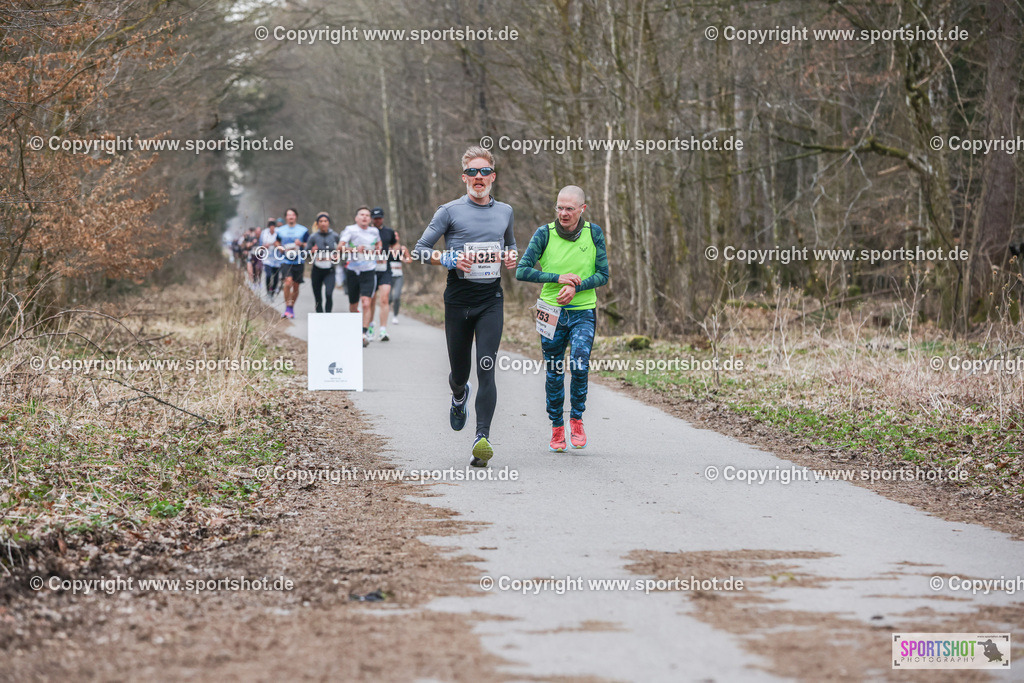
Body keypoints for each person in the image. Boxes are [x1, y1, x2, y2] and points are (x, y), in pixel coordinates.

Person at [413, 145, 517, 467]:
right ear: (464, 178)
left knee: (487, 367)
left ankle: (481, 438)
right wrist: (449, 258)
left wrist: (513, 256)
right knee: (461, 372)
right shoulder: (449, 211)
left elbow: (510, 244)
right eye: (472, 172)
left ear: (493, 177)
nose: (478, 177)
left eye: (484, 171)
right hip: (458, 299)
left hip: (490, 300)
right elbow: (419, 249)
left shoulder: (505, 212)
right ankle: (459, 395)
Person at [516, 186, 609, 451]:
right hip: (550, 312)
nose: (564, 213)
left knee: (579, 364)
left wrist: (576, 287)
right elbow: (522, 271)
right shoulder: (544, 234)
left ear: (582, 209)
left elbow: (603, 274)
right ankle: (557, 427)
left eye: (570, 208)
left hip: (583, 311)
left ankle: (576, 419)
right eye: (560, 207)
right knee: (555, 372)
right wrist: (557, 279)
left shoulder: (594, 233)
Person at [340, 206, 382, 346]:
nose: (364, 217)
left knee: (366, 302)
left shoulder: (374, 231)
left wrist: (378, 248)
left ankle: (363, 333)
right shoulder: (350, 230)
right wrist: (354, 249)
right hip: (353, 270)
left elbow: (378, 243)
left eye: (367, 215)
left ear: (370, 219)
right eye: (361, 215)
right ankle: (354, 329)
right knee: (353, 305)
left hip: (369, 270)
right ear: (356, 218)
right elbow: (340, 248)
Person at [368, 207, 404, 341]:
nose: (377, 220)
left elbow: (396, 244)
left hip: (385, 269)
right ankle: (370, 326)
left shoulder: (389, 232)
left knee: (384, 298)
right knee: (371, 300)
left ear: (383, 218)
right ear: (372, 219)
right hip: (370, 269)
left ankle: (383, 329)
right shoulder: (367, 232)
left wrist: (394, 250)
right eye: (375, 218)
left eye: (380, 218)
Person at [275, 208, 309, 319]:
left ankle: (291, 307)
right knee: (287, 283)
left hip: (299, 260)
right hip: (285, 260)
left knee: (296, 285)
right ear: (286, 217)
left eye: (293, 215)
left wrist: (301, 244)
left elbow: (308, 244)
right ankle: (287, 307)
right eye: (289, 215)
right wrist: (280, 247)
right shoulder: (281, 230)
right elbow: (277, 242)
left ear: (296, 216)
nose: (291, 217)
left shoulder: (303, 230)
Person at [308, 212, 340, 313]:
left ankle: (328, 315)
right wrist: (311, 251)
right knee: (318, 297)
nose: (323, 223)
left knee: (329, 294)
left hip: (330, 270)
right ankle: (319, 317)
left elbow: (342, 250)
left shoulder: (335, 236)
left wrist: (337, 255)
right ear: (317, 223)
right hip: (316, 270)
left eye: (325, 221)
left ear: (328, 223)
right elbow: (305, 253)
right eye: (321, 221)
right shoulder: (313, 237)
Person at [260, 219, 282, 299]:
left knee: (276, 277)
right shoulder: (264, 233)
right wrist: (264, 246)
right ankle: (268, 292)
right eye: (271, 227)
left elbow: (282, 244)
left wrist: (278, 245)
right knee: (268, 275)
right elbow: (260, 246)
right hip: (267, 259)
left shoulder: (279, 233)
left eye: (273, 227)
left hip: (277, 259)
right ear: (269, 227)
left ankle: (272, 293)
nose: (272, 229)